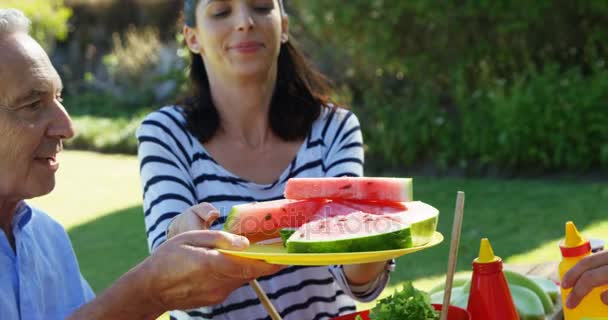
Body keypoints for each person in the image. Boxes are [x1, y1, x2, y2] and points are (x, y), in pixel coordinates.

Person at [0, 8, 282, 320]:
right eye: (32, 104)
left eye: (59, 98)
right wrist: (148, 292)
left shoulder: (46, 236)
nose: (67, 127)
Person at [137, 0, 394, 319]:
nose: (244, 22)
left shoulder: (334, 128)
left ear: (283, 26)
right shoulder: (165, 133)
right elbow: (178, 292)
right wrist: (181, 244)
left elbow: (355, 280)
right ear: (193, 38)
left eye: (260, 7)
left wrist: (376, 231)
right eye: (221, 12)